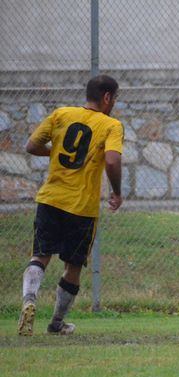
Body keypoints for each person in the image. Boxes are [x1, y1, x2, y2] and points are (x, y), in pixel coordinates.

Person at [17, 74, 123, 336]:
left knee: (40, 255)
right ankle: (56, 323)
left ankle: (29, 299)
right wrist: (117, 192)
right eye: (114, 98)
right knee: (73, 266)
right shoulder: (111, 125)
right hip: (82, 207)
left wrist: (54, 152)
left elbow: (32, 145)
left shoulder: (61, 114)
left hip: (50, 199)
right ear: (107, 97)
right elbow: (111, 161)